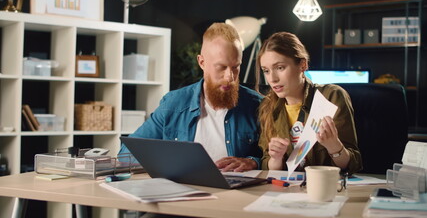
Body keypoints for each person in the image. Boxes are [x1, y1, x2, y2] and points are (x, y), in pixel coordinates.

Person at [119, 22, 263, 172]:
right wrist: (171, 162)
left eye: (236, 67)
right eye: (221, 67)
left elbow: (280, 160)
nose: (230, 77)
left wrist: (253, 162)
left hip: (238, 193)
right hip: (185, 189)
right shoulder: (173, 104)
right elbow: (126, 154)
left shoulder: (258, 105)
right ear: (202, 62)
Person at [255, 31, 362, 174]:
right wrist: (275, 159)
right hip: (286, 190)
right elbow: (266, 163)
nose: (272, 79)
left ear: (302, 65)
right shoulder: (268, 107)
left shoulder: (331, 96)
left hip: (327, 188)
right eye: (266, 71)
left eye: (280, 68)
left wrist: (334, 147)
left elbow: (353, 164)